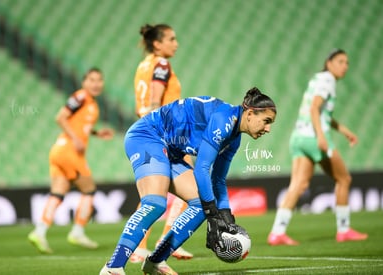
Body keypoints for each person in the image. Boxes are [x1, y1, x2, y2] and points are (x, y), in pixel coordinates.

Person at [100, 87, 277, 275]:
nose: (268, 128)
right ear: (250, 113)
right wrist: (212, 214)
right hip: (147, 136)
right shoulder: (223, 120)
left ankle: (156, 262)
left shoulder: (234, 139)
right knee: (155, 203)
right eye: (266, 121)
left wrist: (226, 217)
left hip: (171, 150)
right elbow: (201, 169)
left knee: (200, 204)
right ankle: (113, 267)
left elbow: (218, 179)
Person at [267, 49, 368, 246]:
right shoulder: (328, 80)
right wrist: (321, 137)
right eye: (340, 61)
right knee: (344, 178)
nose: (345, 66)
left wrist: (344, 130)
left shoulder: (317, 79)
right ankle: (344, 229)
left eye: (347, 63)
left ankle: (277, 232)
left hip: (298, 137)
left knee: (298, 185)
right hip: (314, 138)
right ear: (329, 63)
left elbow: (320, 113)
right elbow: (314, 108)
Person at [28, 68, 114, 253]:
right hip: (69, 152)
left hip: (58, 151)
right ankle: (77, 231)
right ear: (84, 82)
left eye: (99, 80)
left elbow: (79, 124)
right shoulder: (81, 96)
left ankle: (39, 231)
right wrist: (75, 139)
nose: (96, 84)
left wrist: (96, 133)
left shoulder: (91, 104)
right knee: (89, 190)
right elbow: (61, 117)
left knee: (57, 193)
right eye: (92, 80)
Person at [130, 23, 193, 263]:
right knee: (190, 187)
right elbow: (156, 101)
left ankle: (138, 246)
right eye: (171, 39)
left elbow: (142, 105)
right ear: (157, 43)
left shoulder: (142, 66)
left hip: (149, 132)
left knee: (153, 191)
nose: (176, 44)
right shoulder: (162, 64)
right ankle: (167, 242)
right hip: (169, 134)